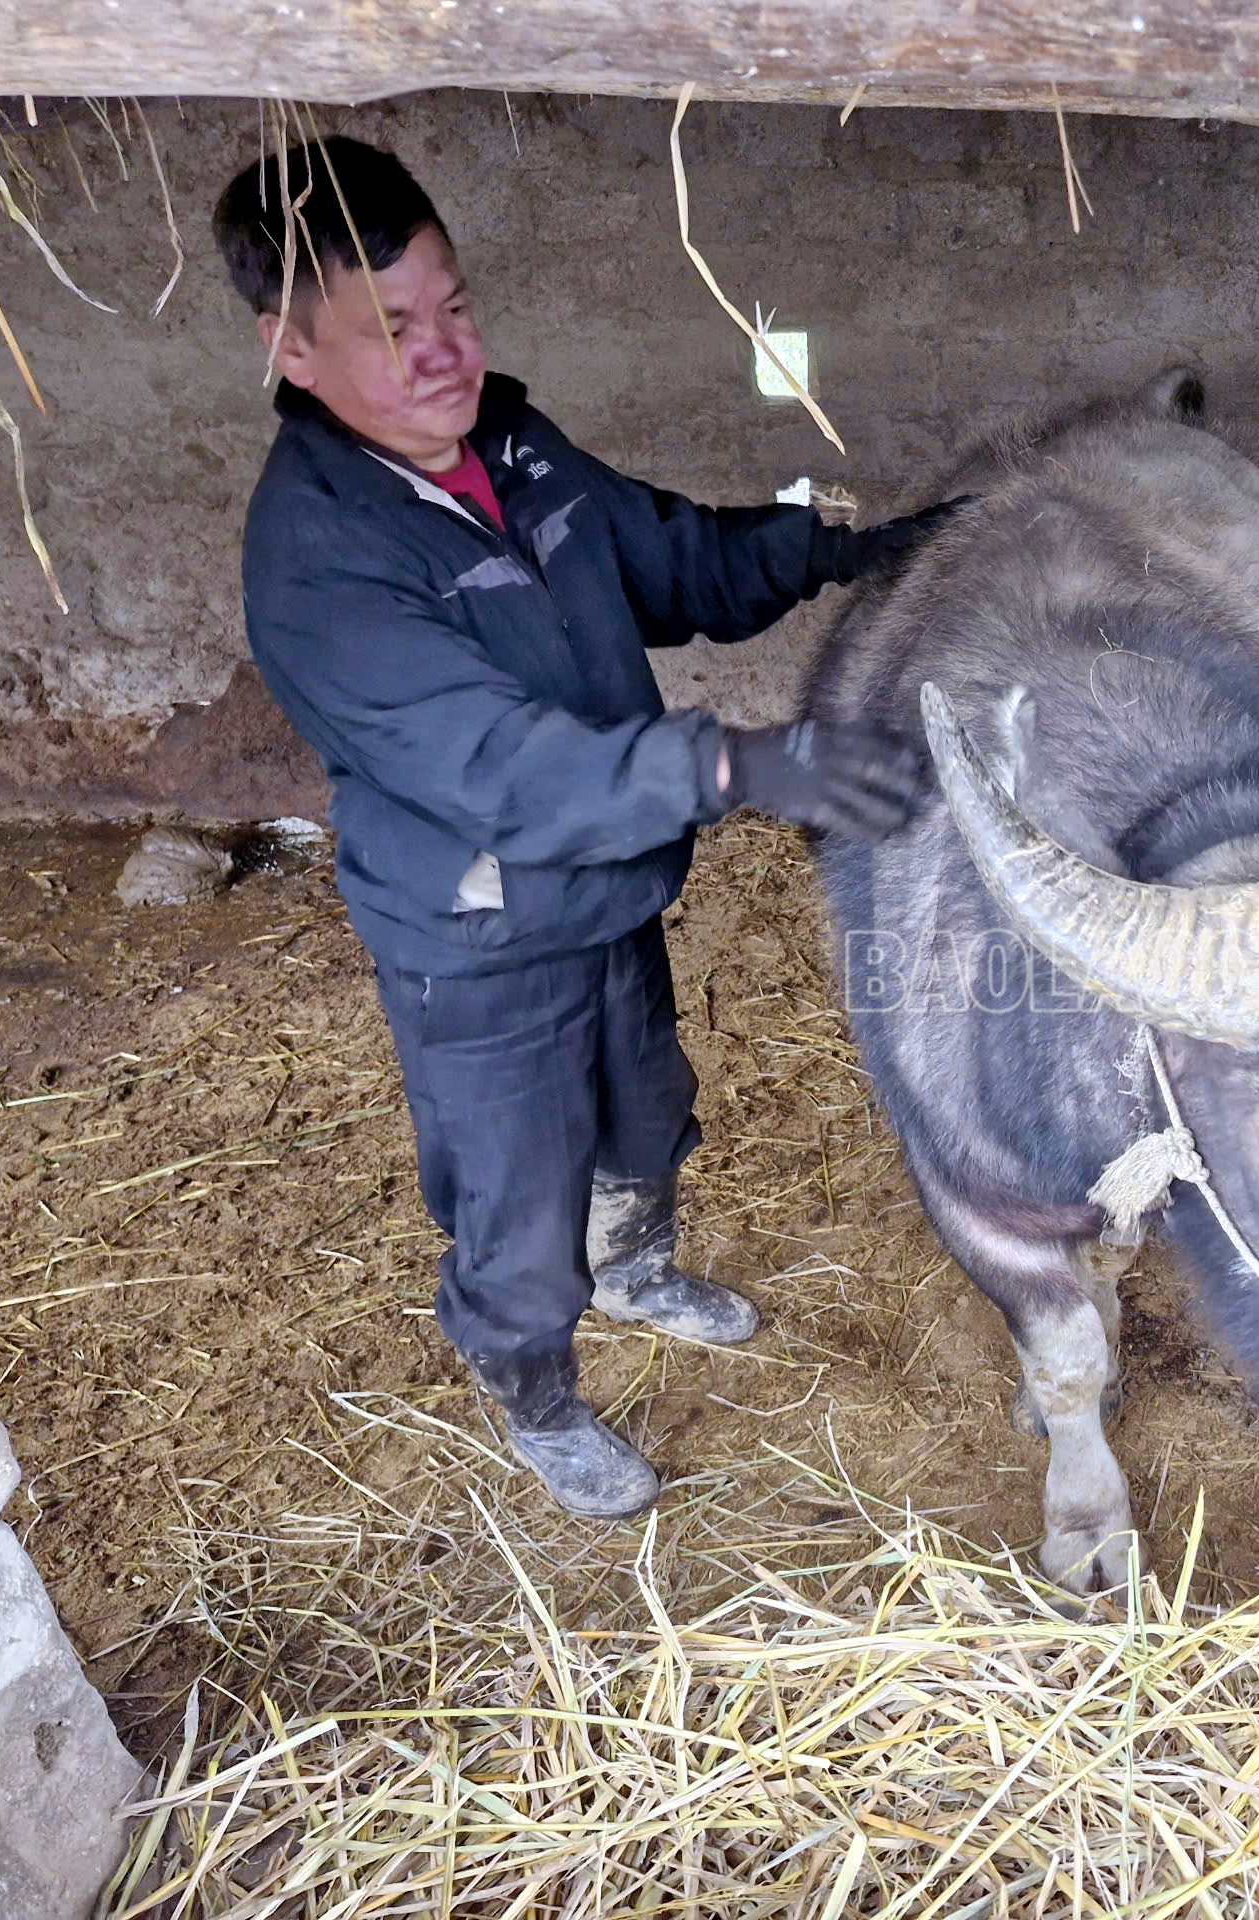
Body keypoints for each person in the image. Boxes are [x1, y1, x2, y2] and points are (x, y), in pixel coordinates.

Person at [212, 138, 958, 1520]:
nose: (440, 353)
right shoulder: (321, 559)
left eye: (451, 308)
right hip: (481, 941)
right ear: (290, 349)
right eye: (387, 328)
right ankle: (536, 1389)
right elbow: (499, 765)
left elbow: (672, 553)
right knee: (518, 1211)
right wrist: (737, 764)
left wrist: (855, 534)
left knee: (646, 1111)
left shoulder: (510, 439)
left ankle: (639, 1267)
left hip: (605, 892)